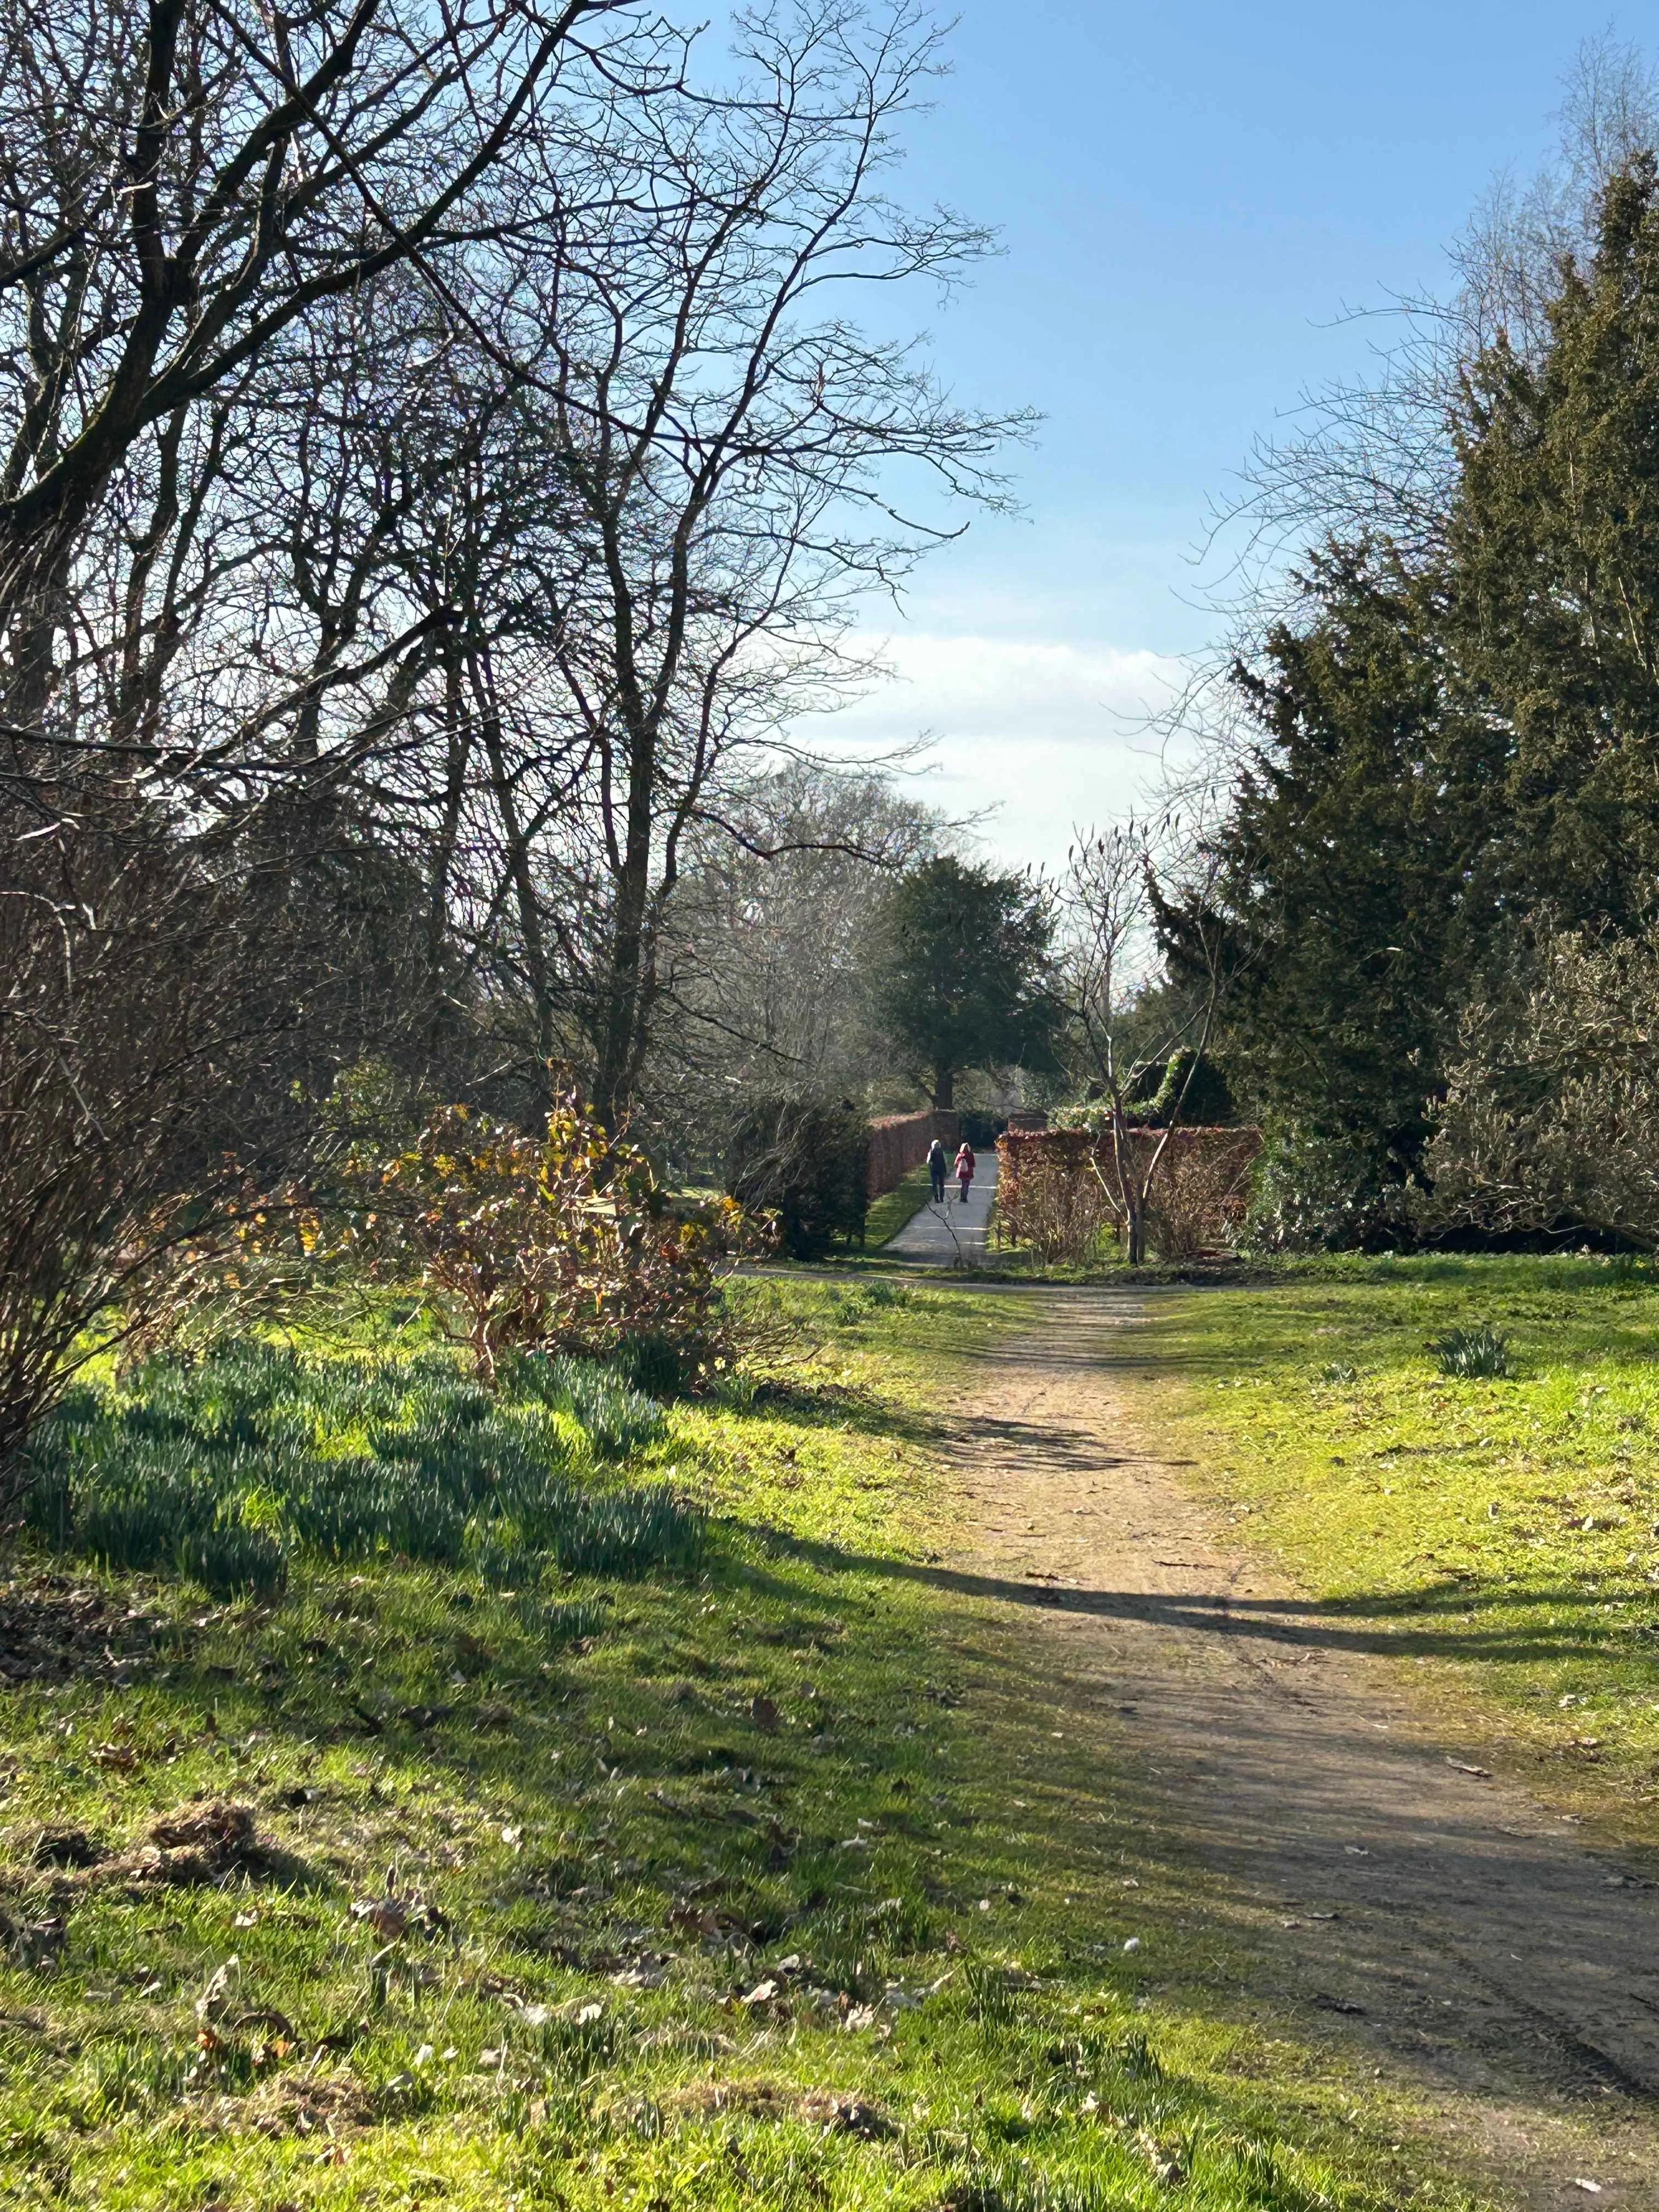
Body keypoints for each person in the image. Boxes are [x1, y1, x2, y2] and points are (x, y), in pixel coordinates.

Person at [954, 1139, 975, 1205]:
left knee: (963, 1185)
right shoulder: (971, 1155)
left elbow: (955, 1164)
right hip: (969, 1172)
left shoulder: (960, 1155)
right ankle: (965, 1198)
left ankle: (962, 1198)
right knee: (967, 1185)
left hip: (962, 1172)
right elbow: (973, 1164)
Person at [927, 1136, 947, 1204]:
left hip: (934, 1170)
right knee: (942, 1185)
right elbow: (945, 1161)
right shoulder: (942, 1152)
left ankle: (936, 1198)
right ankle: (942, 1198)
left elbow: (928, 1161)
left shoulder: (931, 1152)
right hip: (941, 1169)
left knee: (935, 1185)